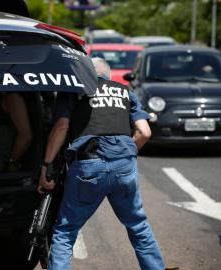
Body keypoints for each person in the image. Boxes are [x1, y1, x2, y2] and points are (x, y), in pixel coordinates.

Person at [38, 57, 165, 269]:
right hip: (124, 166)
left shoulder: (73, 92)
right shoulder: (125, 92)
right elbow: (145, 132)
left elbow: (61, 128)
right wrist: (125, 155)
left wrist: (46, 166)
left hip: (87, 165)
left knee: (66, 231)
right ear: (108, 74)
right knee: (138, 225)